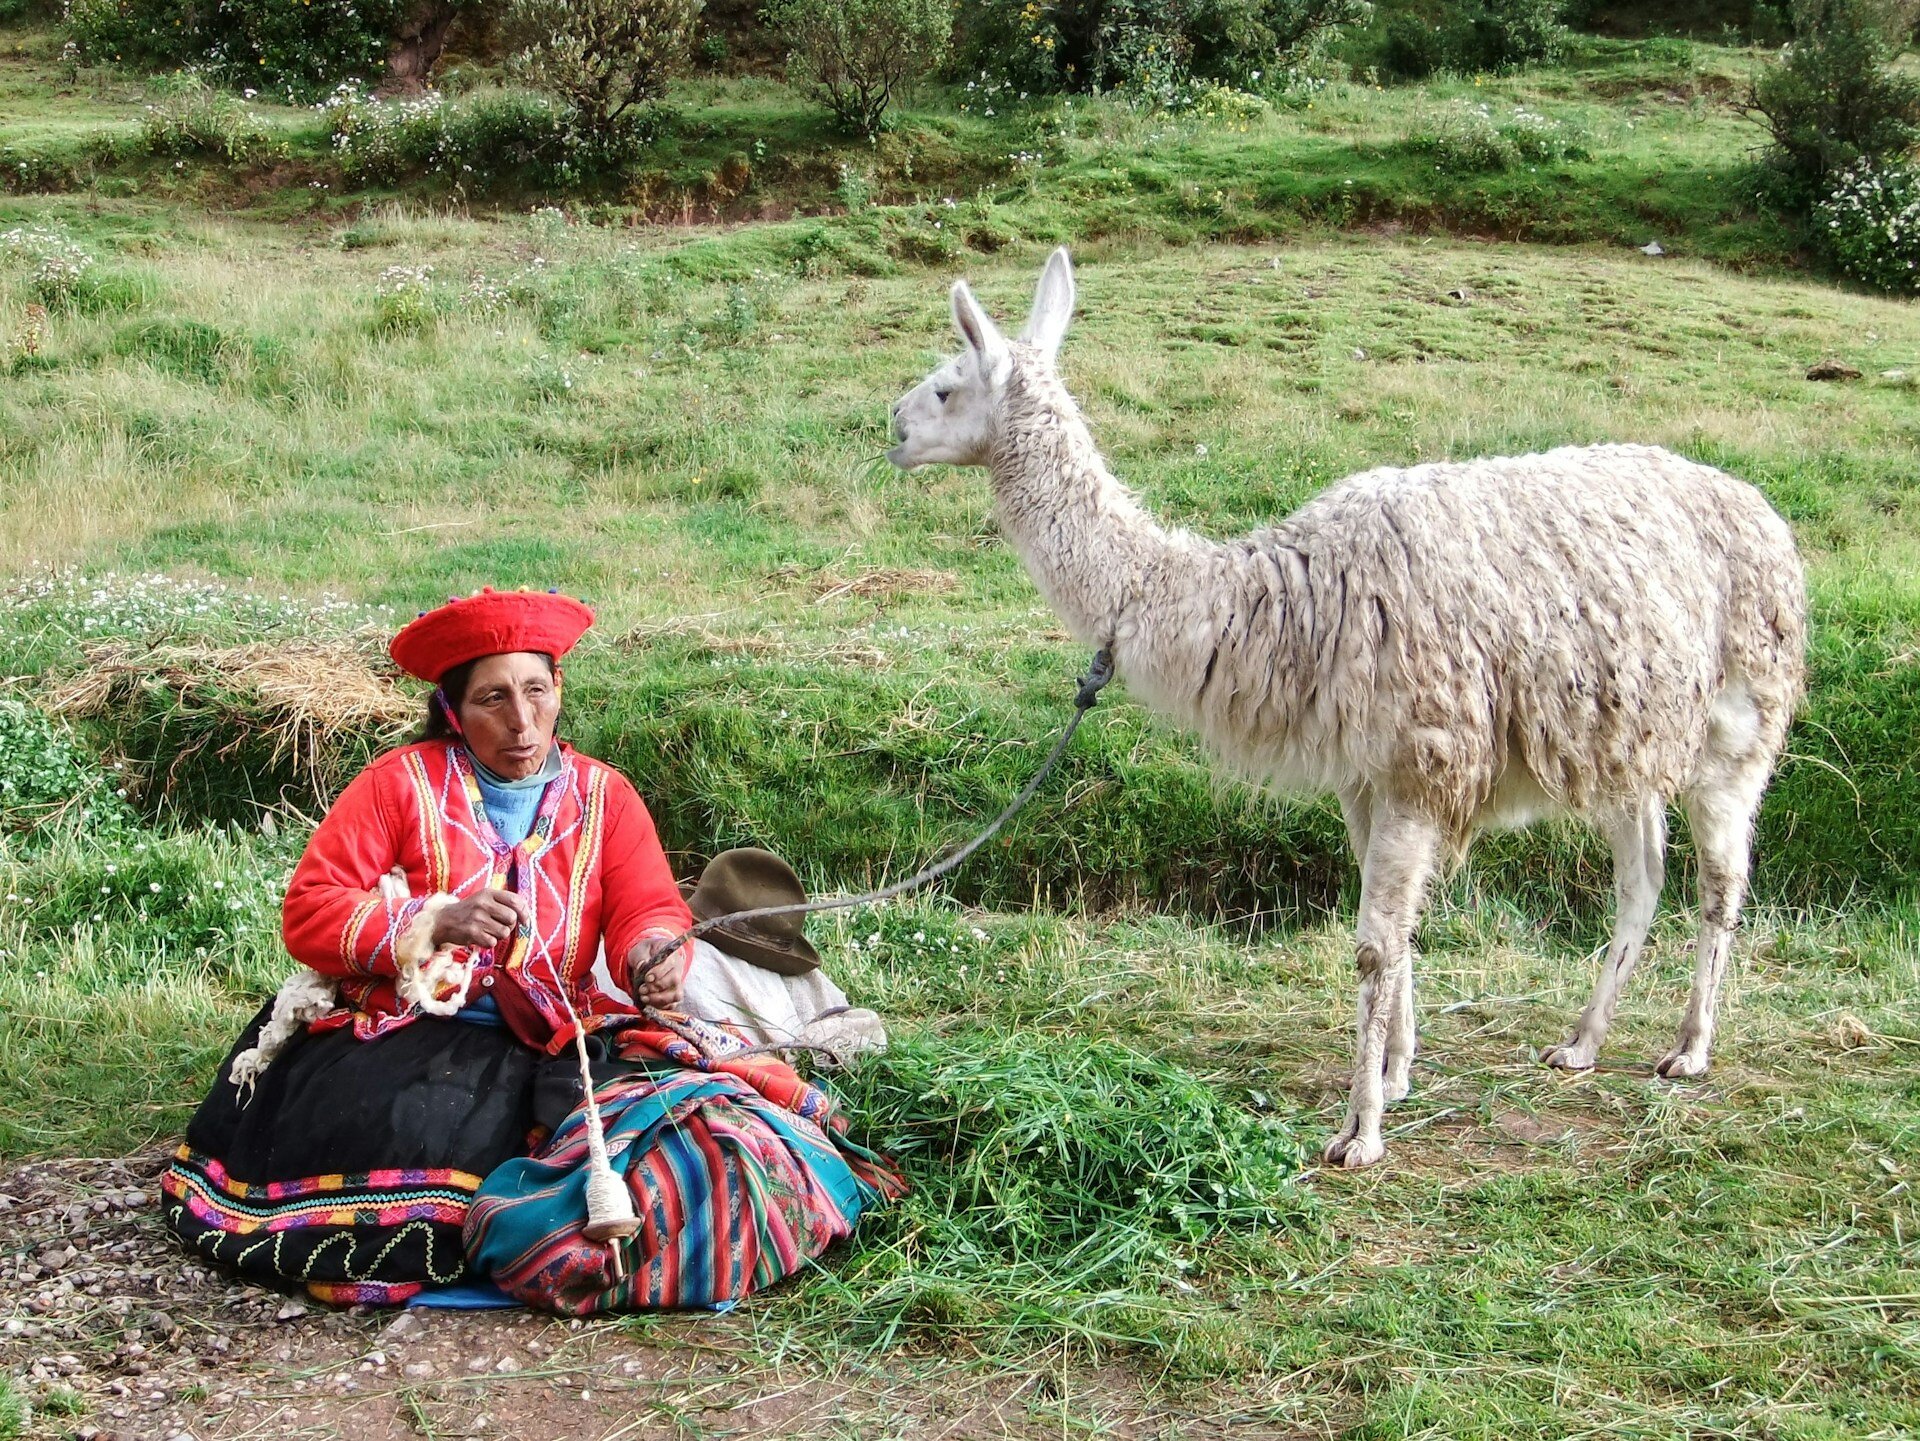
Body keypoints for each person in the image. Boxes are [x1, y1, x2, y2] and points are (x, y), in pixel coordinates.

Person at [162, 587, 897, 1308]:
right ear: (453, 708)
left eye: (537, 691)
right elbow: (310, 910)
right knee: (412, 1137)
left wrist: (653, 954)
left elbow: (647, 905)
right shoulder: (398, 786)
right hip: (410, 1033)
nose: (522, 721)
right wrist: (431, 921)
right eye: (493, 699)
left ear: (559, 689)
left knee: (698, 1138)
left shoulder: (604, 797)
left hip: (554, 1036)